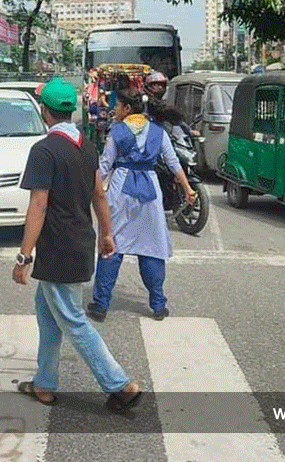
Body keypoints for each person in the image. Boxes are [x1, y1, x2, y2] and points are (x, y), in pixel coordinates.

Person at [12, 78, 143, 413]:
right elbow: (99, 194)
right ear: (71, 109)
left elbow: (38, 205)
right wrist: (107, 233)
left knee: (71, 318)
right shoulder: (86, 145)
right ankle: (44, 382)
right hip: (81, 240)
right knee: (47, 313)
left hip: (58, 249)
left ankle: (119, 384)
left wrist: (23, 256)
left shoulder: (44, 150)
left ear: (45, 111)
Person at [87, 89, 197, 322]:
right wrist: (187, 189)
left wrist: (88, 187)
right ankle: (158, 305)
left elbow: (105, 165)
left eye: (117, 107)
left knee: (111, 243)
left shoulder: (116, 131)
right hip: (150, 192)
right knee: (152, 247)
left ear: (127, 109)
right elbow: (173, 161)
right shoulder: (158, 131)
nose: (114, 110)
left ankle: (100, 305)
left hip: (121, 190)